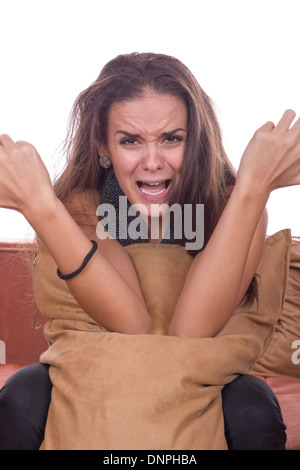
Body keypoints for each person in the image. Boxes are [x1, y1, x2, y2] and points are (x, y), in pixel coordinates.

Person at [0, 52, 298, 449]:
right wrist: (40, 206)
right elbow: (132, 321)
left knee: (253, 401)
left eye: (172, 139)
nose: (153, 162)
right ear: (103, 148)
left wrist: (253, 188)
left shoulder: (236, 204)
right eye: (130, 141)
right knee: (23, 390)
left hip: (201, 382)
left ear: (194, 144)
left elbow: (191, 331)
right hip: (96, 381)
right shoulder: (84, 206)